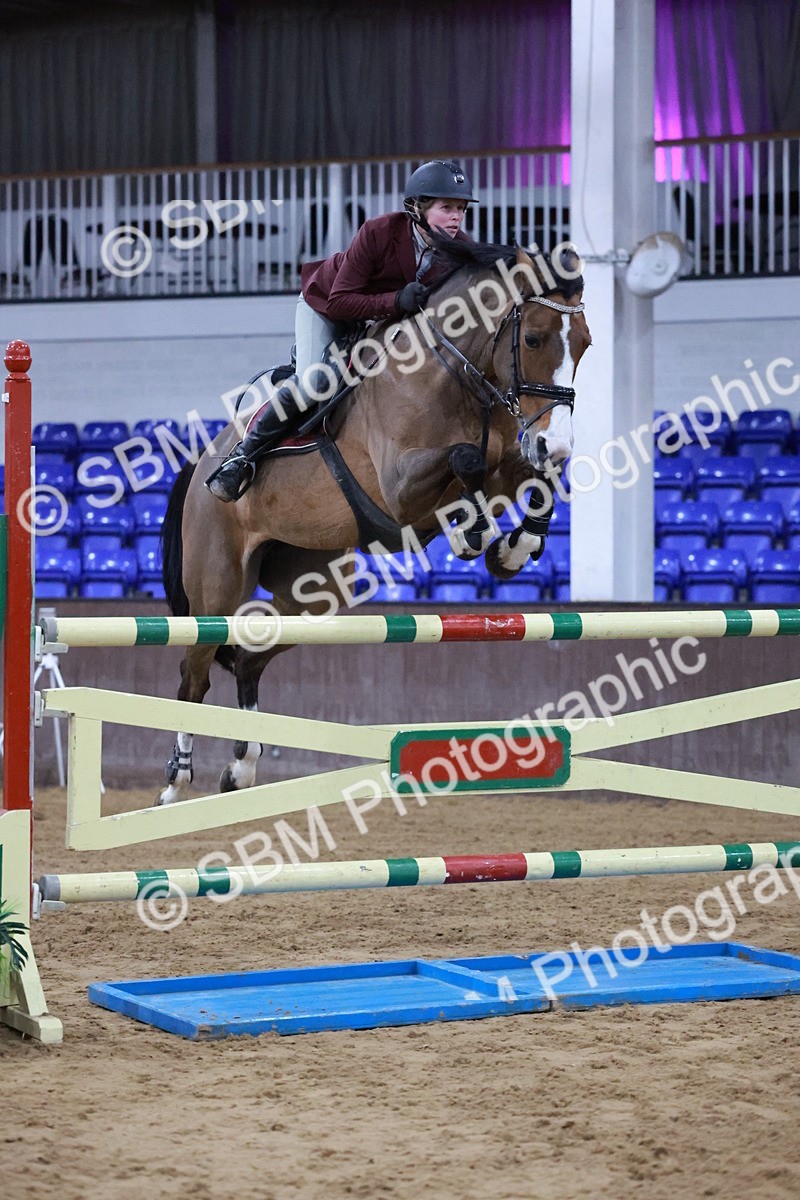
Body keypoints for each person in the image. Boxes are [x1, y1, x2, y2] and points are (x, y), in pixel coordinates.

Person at [206, 159, 477, 502]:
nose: (456, 216)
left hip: (379, 321)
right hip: (326, 305)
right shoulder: (379, 232)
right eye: (446, 207)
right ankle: (242, 456)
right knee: (314, 382)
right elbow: (340, 301)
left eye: (461, 209)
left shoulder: (459, 249)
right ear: (417, 207)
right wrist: (395, 301)